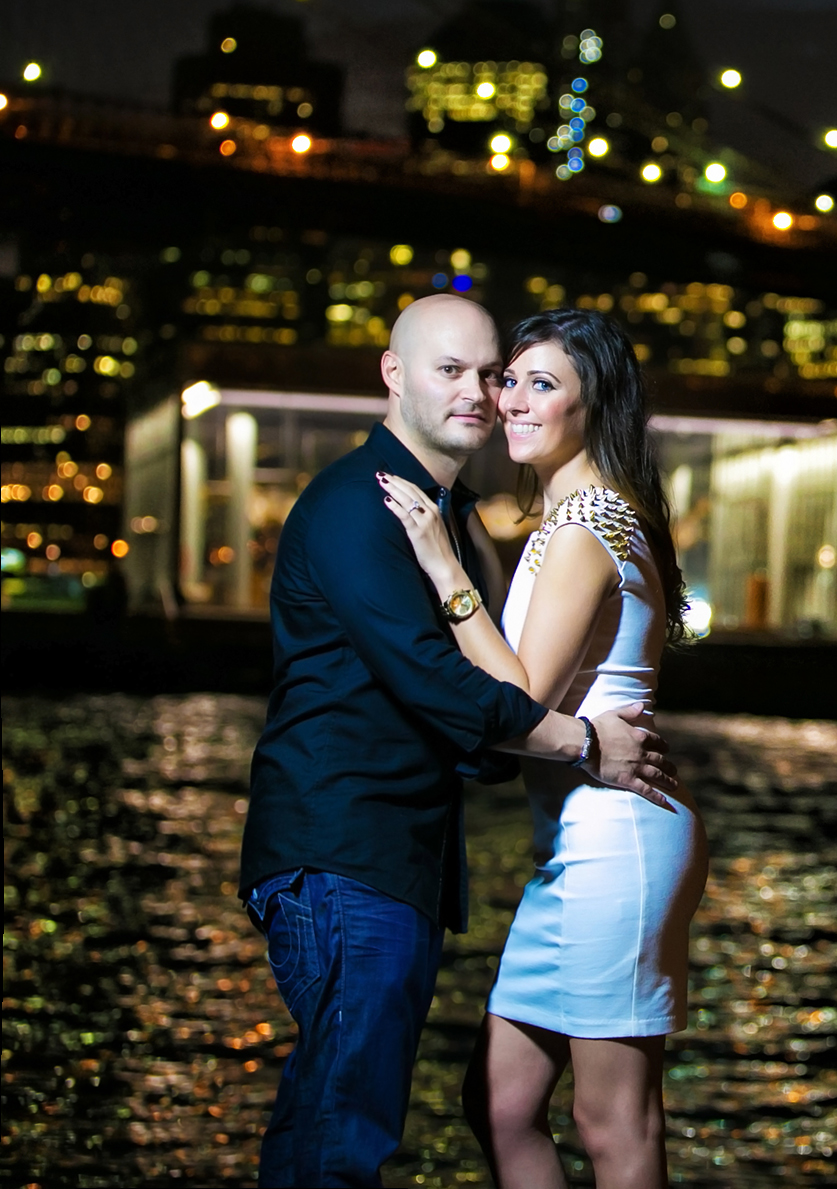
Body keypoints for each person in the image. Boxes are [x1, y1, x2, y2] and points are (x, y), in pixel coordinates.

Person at [239, 294, 680, 1188]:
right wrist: (578, 741)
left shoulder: (468, 518)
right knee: (356, 1122)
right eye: (465, 372)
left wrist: (455, 567)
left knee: (438, 1112)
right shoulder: (364, 509)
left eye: (503, 374)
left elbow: (482, 703)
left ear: (593, 404)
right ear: (394, 376)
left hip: (432, 854)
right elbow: (440, 683)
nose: (490, 395)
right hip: (346, 853)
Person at [377, 307, 707, 1189]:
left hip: (617, 843)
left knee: (614, 1123)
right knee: (498, 1104)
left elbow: (518, 698)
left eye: (541, 383)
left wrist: (446, 572)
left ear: (592, 405)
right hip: (578, 844)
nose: (510, 400)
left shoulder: (588, 523)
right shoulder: (572, 519)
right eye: (508, 379)